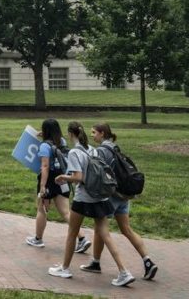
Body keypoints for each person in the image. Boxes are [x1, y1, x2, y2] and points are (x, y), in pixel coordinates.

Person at [48, 121, 135, 287]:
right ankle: (124, 271)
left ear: (70, 133)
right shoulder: (92, 149)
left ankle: (65, 268)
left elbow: (78, 177)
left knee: (72, 233)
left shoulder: (74, 152)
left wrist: (63, 178)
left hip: (83, 198)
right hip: (100, 197)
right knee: (106, 235)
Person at [83, 123, 158, 281]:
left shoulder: (102, 151)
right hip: (124, 196)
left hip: (111, 196)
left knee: (100, 228)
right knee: (126, 230)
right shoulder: (115, 148)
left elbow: (98, 174)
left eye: (94, 132)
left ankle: (97, 263)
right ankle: (148, 261)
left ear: (102, 133)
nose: (92, 135)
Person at [26, 118, 90, 252]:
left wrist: (43, 186)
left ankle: (38, 239)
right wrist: (43, 133)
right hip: (62, 179)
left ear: (45, 131)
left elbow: (45, 166)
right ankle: (82, 238)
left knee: (42, 208)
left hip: (49, 181)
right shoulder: (62, 142)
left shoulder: (44, 146)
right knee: (66, 212)